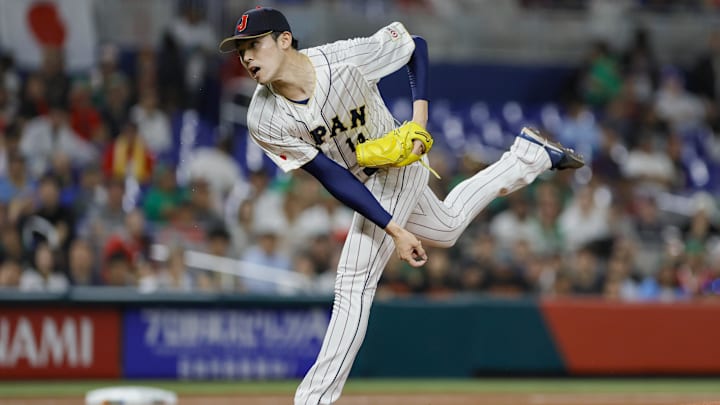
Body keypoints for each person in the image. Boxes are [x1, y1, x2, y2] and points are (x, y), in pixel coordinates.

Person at [219, 7, 584, 404]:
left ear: (284, 40)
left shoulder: (345, 59)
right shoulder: (263, 117)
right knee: (446, 226)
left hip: (397, 166)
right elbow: (331, 176)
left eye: (255, 44)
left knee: (353, 281)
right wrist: (394, 227)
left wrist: (419, 122)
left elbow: (415, 47)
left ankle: (313, 400)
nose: (248, 58)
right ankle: (529, 157)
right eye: (241, 52)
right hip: (360, 180)